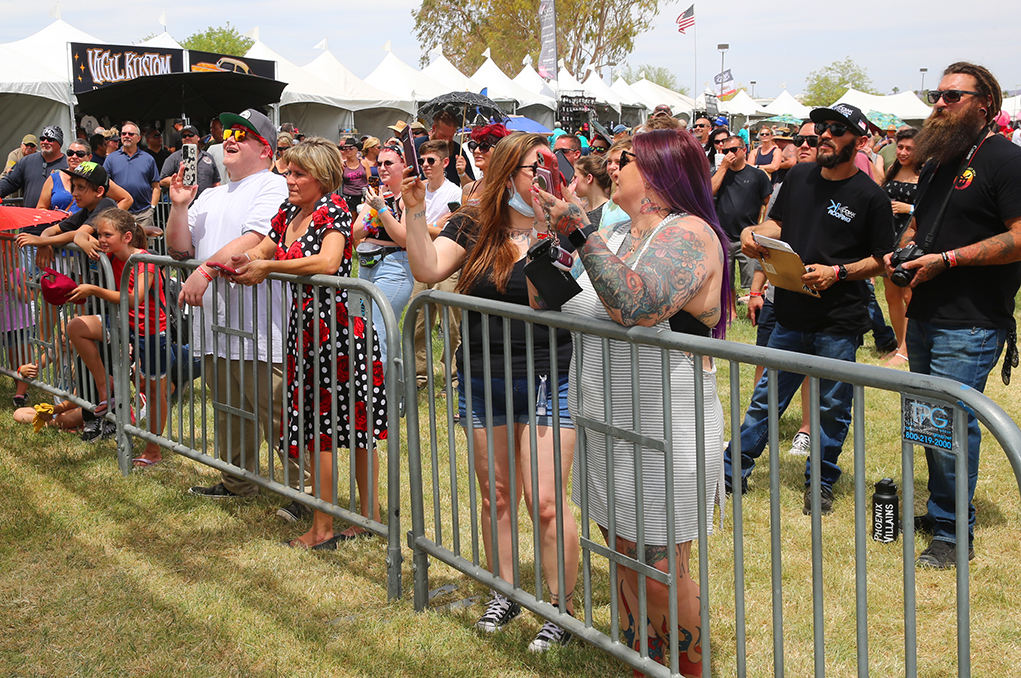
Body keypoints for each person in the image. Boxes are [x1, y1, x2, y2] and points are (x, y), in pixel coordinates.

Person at [533, 128, 730, 676]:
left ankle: (688, 671)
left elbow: (635, 303)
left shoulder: (689, 233)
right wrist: (548, 245)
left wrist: (578, 233)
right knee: (624, 559)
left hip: (662, 427)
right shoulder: (618, 235)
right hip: (608, 420)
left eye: (626, 159)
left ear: (662, 170)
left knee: (659, 570)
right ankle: (645, 665)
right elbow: (574, 304)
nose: (611, 166)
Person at [403, 132, 580, 652]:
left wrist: (551, 230)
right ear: (507, 173)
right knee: (496, 495)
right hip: (482, 374)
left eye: (548, 165)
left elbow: (546, 301)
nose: (542, 175)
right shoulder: (472, 222)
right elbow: (428, 268)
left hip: (551, 372)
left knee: (545, 501)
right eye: (532, 168)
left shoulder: (566, 228)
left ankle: (560, 610)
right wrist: (414, 212)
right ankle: (503, 592)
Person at [725, 103, 894, 515]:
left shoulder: (871, 196)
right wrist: (753, 233)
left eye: (837, 129)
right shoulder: (799, 176)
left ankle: (820, 481)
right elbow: (777, 224)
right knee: (767, 398)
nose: (824, 135)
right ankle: (732, 472)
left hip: (839, 321)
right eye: (821, 127)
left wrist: (837, 272)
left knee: (832, 407)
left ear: (859, 141)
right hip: (791, 314)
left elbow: (882, 259)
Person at [884, 62, 1021, 569]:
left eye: (952, 96)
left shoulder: (1007, 161)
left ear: (985, 103)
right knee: (928, 422)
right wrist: (905, 250)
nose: (939, 104)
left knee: (949, 424)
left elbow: (1020, 237)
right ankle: (946, 511)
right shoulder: (940, 161)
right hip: (926, 313)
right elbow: (920, 221)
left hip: (973, 319)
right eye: (936, 95)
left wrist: (949, 260)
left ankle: (951, 531)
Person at [229, 137, 387, 547]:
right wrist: (246, 259)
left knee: (333, 431)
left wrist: (269, 265)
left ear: (322, 177)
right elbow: (266, 244)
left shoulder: (331, 211)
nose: (290, 179)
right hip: (307, 333)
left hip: (334, 335)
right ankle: (359, 518)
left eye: (299, 173)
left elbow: (328, 262)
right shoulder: (289, 211)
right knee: (337, 430)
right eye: (288, 171)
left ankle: (325, 528)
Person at [165, 108, 307, 521]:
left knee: (277, 409)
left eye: (242, 135)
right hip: (215, 324)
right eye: (228, 131)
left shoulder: (273, 184)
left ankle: (309, 492)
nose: (230, 139)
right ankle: (236, 480)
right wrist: (178, 207)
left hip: (260, 322)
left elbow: (257, 238)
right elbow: (180, 249)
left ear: (265, 150)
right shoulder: (209, 195)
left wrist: (207, 270)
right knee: (227, 409)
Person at [65, 209, 170, 467]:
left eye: (106, 235)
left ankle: (153, 449)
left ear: (126, 237)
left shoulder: (144, 260)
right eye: (99, 234)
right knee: (76, 327)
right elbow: (79, 236)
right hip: (121, 324)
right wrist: (84, 238)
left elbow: (136, 297)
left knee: (156, 391)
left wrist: (94, 290)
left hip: (152, 331)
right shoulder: (110, 253)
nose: (100, 239)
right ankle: (106, 388)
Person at [409, 140, 464, 389]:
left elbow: (450, 231)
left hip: (447, 262)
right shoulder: (417, 189)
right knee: (417, 319)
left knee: (452, 323)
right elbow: (411, 226)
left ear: (445, 162)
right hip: (423, 260)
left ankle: (453, 375)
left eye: (431, 160)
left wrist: (427, 227)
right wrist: (434, 227)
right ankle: (420, 375)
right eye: (423, 161)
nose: (425, 165)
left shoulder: (455, 192)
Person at [354, 144, 415, 367]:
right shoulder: (378, 194)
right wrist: (375, 210)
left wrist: (381, 210)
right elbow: (357, 231)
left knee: (380, 334)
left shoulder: (409, 196)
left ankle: (390, 397)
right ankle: (371, 392)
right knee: (362, 331)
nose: (381, 168)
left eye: (388, 163)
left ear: (403, 166)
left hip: (394, 267)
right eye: (378, 163)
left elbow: (404, 239)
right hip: (367, 265)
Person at [711, 135, 772, 308]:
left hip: (748, 237)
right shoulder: (720, 173)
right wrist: (723, 168)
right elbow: (708, 192)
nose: (729, 154)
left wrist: (762, 226)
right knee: (727, 279)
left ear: (744, 150)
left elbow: (768, 202)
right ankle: (732, 312)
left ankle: (755, 306)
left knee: (753, 278)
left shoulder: (757, 175)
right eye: (725, 151)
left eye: (733, 150)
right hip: (724, 235)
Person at [880, 127, 920, 368]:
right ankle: (899, 344)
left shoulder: (926, 174)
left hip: (911, 240)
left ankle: (907, 349)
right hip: (889, 238)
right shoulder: (892, 170)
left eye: (909, 149)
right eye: (900, 148)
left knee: (908, 295)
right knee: (892, 296)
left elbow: (935, 209)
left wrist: (910, 209)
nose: (903, 152)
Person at [103, 122, 160, 234]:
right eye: (124, 134)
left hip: (143, 213)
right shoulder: (111, 159)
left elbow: (156, 187)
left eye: (130, 134)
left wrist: (152, 208)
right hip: (119, 212)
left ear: (138, 138)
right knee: (121, 247)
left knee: (143, 248)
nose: (126, 136)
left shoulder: (148, 159)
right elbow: (104, 184)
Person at [0, 126, 67, 209]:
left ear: (59, 143)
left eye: (50, 140)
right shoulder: (27, 161)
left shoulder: (67, 165)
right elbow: (9, 182)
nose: (45, 142)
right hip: (30, 218)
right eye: (42, 139)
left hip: (59, 219)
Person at [159, 126, 220, 199]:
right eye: (184, 136)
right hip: (185, 203)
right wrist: (179, 180)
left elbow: (216, 181)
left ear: (198, 138)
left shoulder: (208, 157)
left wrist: (217, 198)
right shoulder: (174, 157)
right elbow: (162, 180)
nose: (187, 138)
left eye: (191, 135)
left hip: (206, 202)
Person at [455, 123, 510, 204]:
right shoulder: (468, 189)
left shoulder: (511, 187)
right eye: (474, 146)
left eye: (484, 146)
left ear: (501, 150)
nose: (476, 151)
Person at [571, 154, 611, 226]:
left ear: (589, 178)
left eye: (575, 177)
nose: (572, 180)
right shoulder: (581, 208)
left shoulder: (608, 211)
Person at [338, 137, 368, 213]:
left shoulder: (363, 163)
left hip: (364, 195)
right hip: (349, 196)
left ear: (356, 149)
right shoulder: (343, 166)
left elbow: (370, 179)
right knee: (352, 221)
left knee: (365, 219)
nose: (348, 150)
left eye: (351, 148)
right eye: (345, 148)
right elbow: (338, 181)